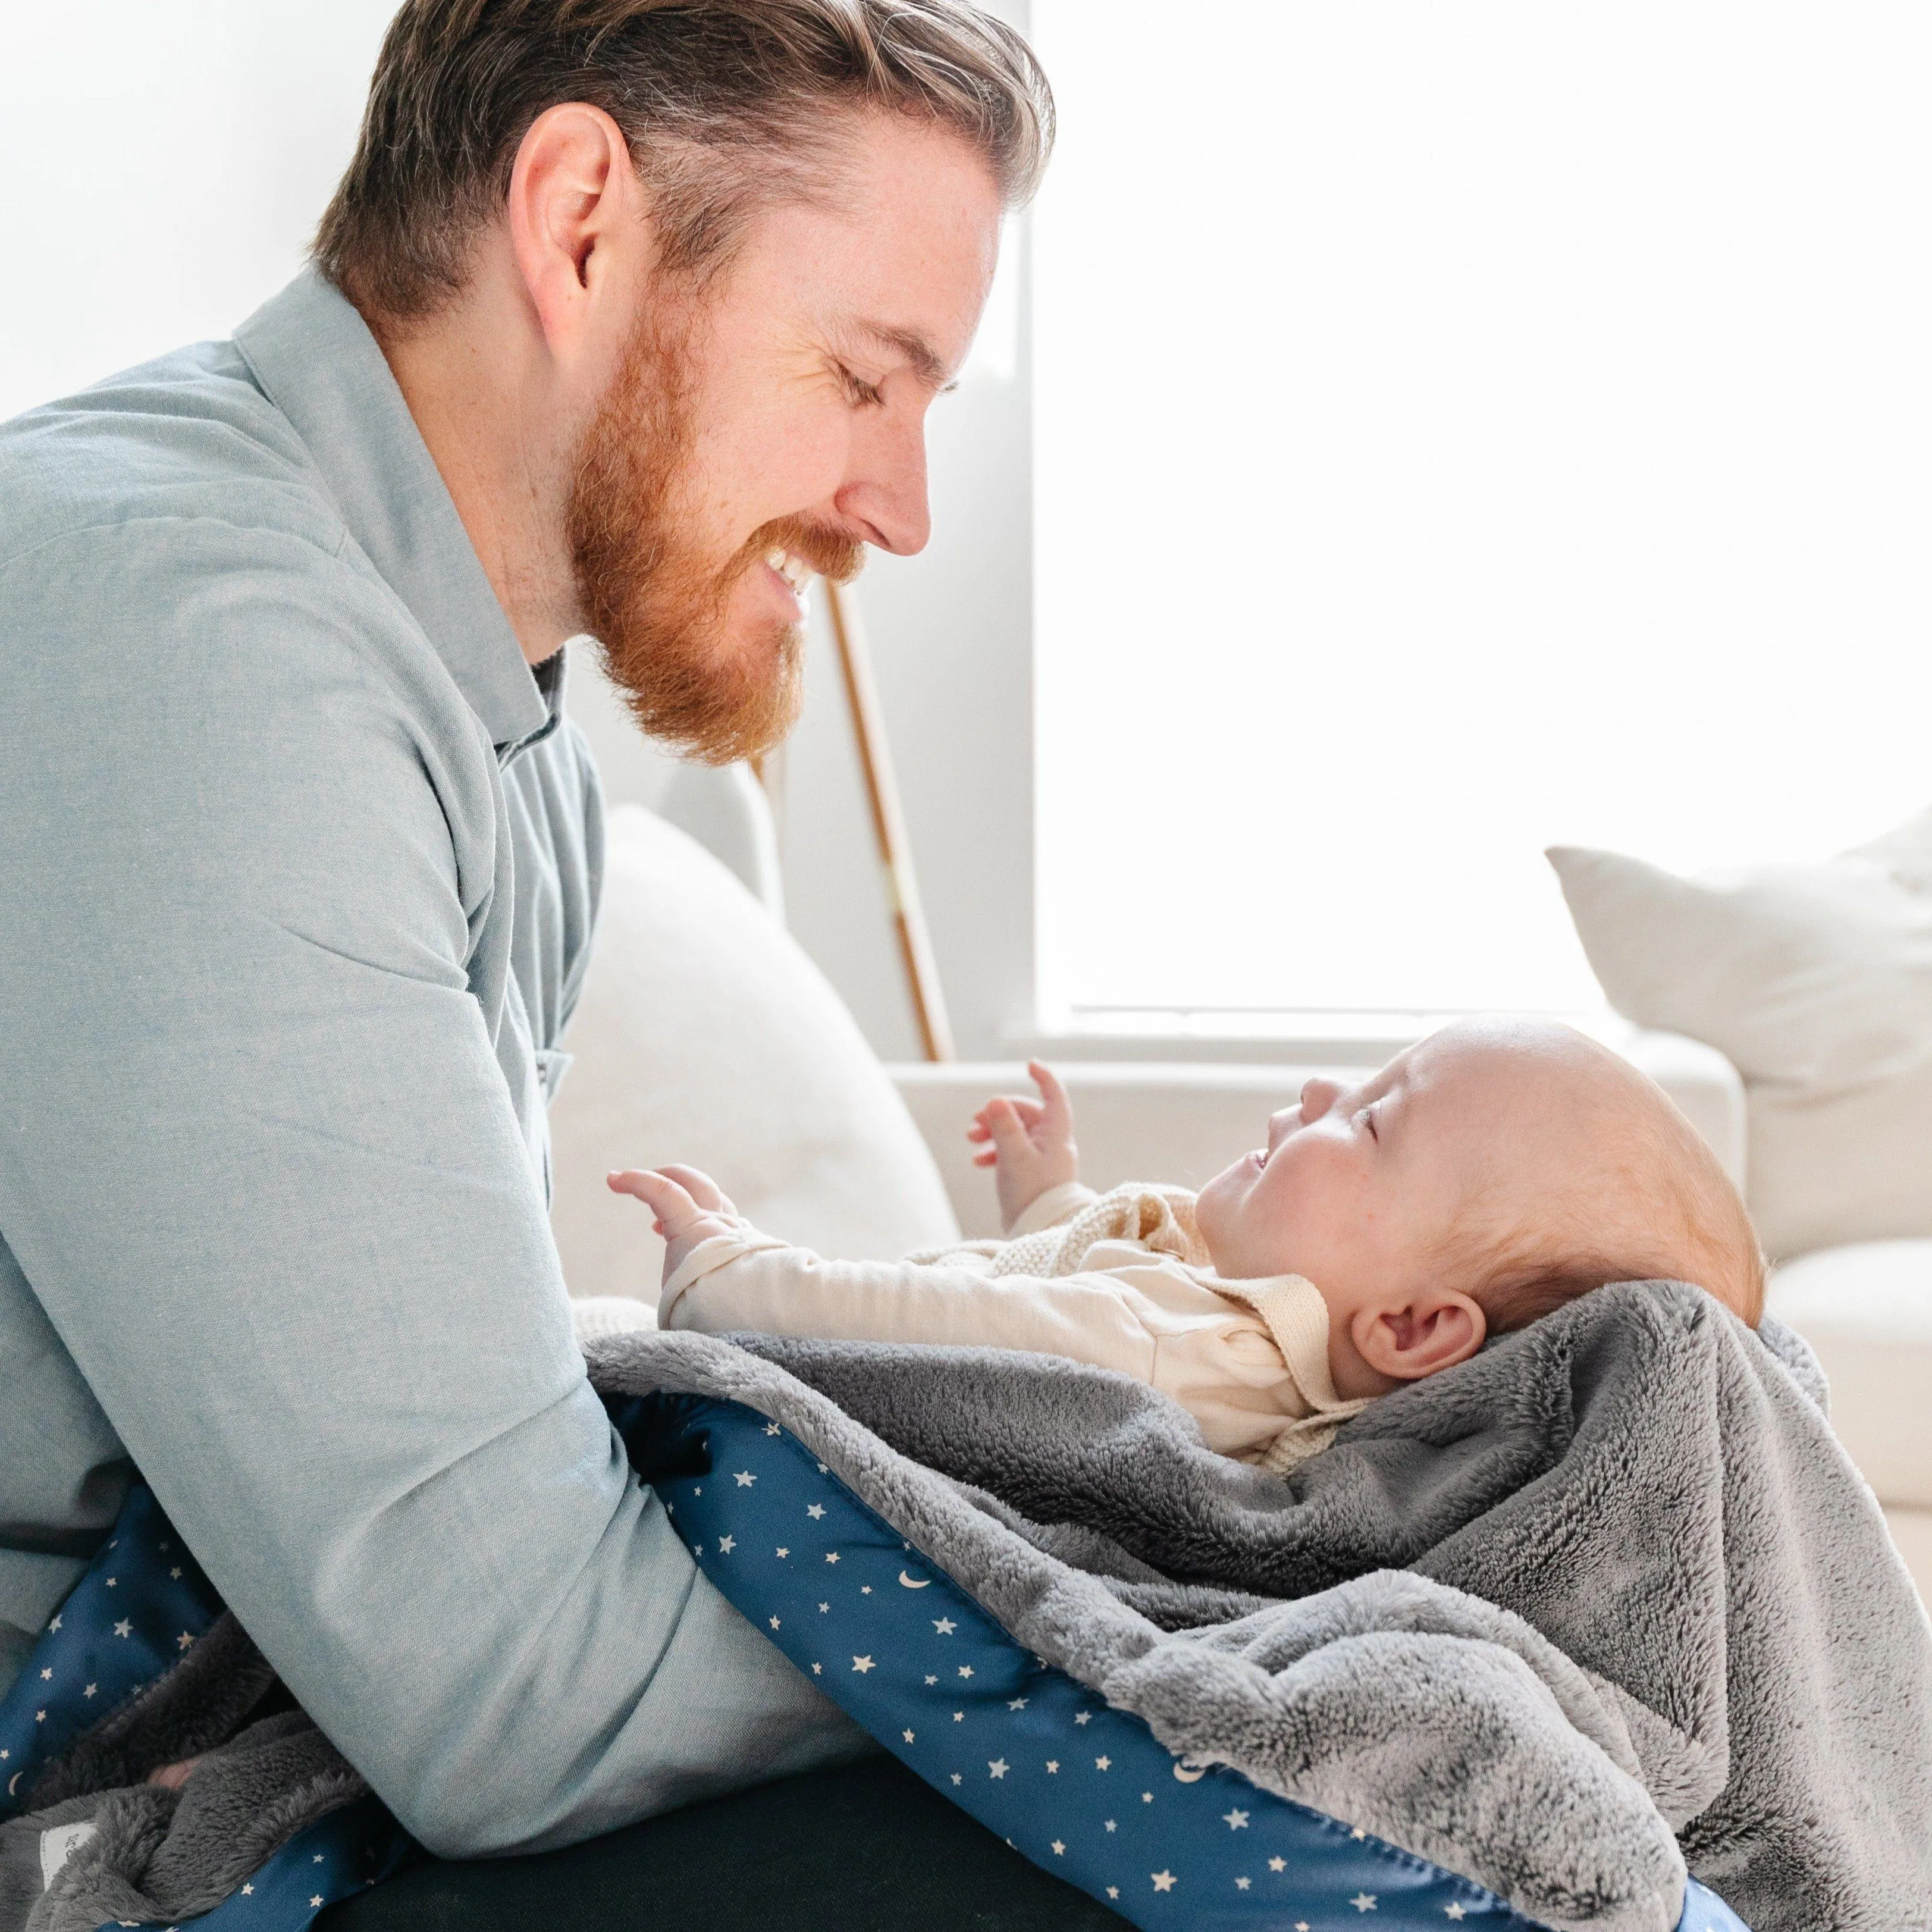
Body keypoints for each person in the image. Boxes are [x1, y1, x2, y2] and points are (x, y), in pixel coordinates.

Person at [0, 0, 1055, 1884]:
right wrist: (1132, 1613)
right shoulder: (185, 639)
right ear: (580, 222)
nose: (897, 510)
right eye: (862, 379)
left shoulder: (515, 748)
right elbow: (524, 1702)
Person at [613, 1019, 1767, 1469]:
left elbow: (959, 1328)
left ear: (1412, 1326)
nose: (1317, 1087)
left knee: (597, 1344)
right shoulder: (1227, 1309)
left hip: (770, 1366)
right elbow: (1086, 1289)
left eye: (1366, 1118)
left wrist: (735, 1272)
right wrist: (1052, 1195)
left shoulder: (1192, 1356)